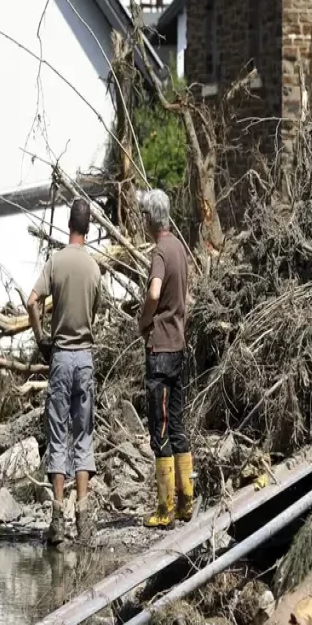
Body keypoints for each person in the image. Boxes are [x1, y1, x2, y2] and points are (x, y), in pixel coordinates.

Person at [27, 199, 101, 545]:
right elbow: (95, 311)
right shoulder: (94, 268)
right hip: (84, 356)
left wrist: (41, 336)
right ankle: (84, 520)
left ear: (69, 225)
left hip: (60, 357)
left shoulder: (55, 262)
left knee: (58, 435)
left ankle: (58, 521)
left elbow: (31, 301)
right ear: (89, 228)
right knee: (83, 434)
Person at [137, 189, 193, 528]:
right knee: (177, 424)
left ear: (150, 218)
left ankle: (164, 508)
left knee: (158, 429)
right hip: (179, 346)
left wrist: (144, 320)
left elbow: (155, 292)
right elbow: (185, 294)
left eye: (143, 216)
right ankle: (186, 501)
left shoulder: (160, 251)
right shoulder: (180, 249)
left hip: (159, 349)